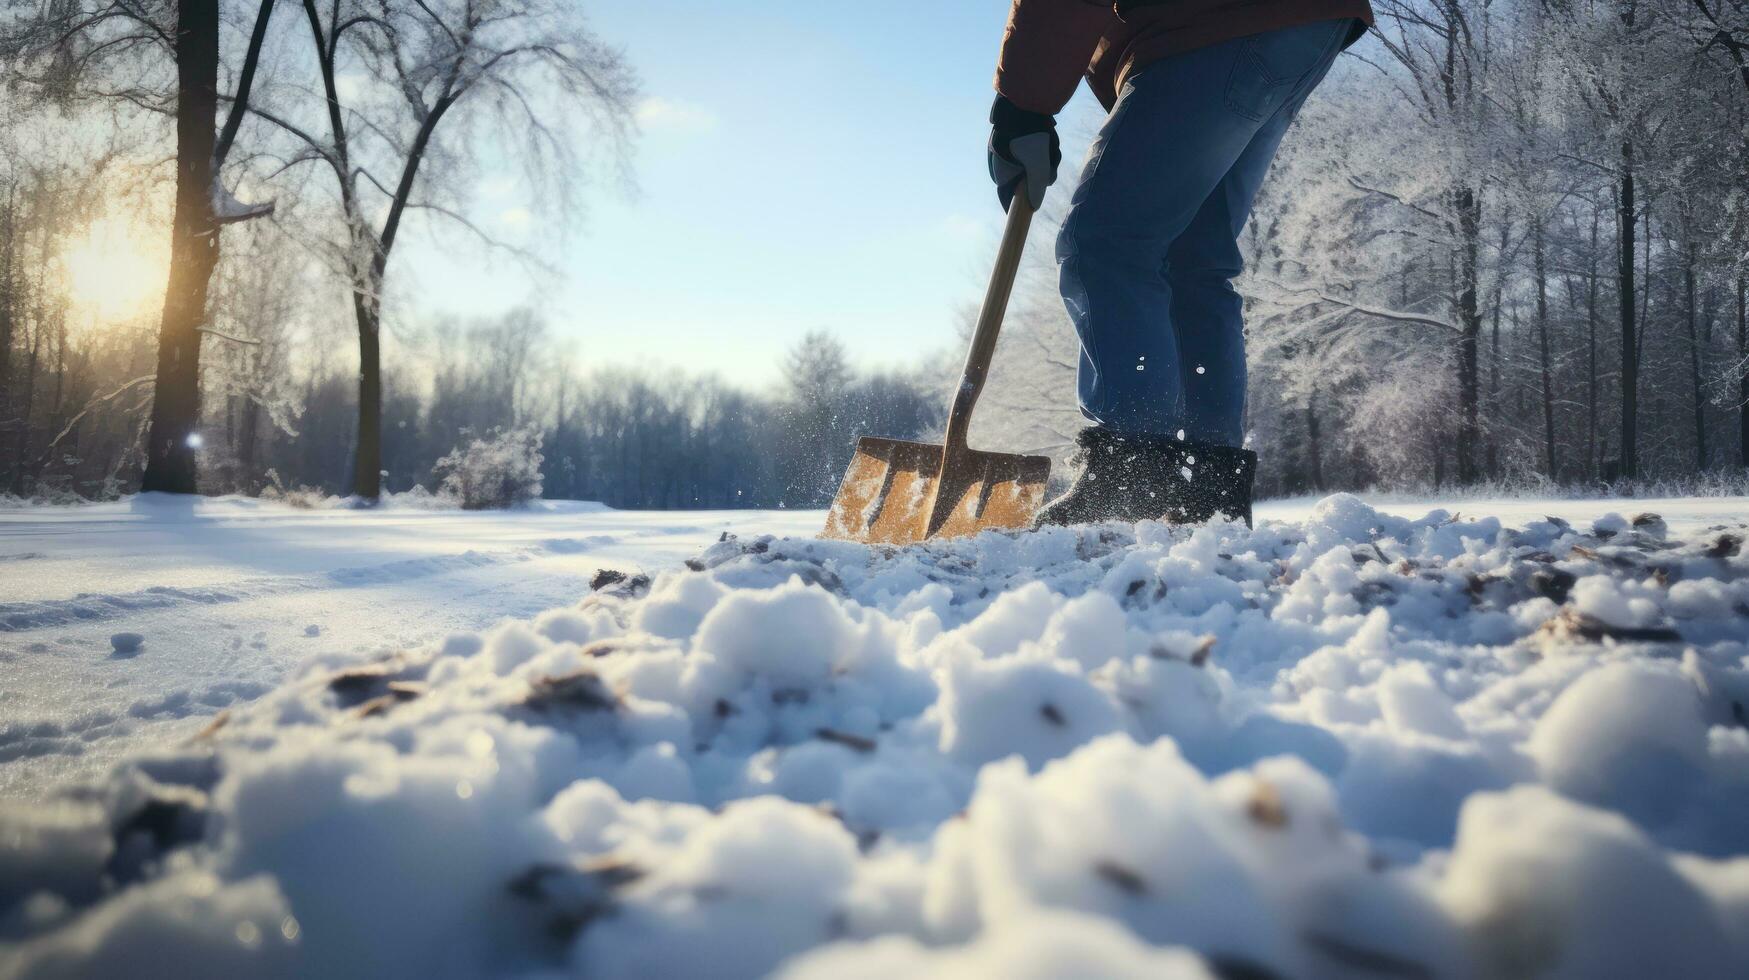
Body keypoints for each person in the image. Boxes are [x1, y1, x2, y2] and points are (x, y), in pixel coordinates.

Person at [987, 0, 1374, 529]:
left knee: (1106, 240)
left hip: (1207, 24)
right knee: (1191, 261)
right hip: (1299, 25)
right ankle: (1209, 490)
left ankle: (1132, 474)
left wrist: (1022, 106)